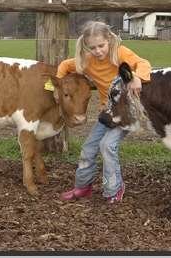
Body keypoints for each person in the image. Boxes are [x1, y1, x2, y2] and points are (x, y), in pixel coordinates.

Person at [57, 21, 151, 204]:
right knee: (88, 148)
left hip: (126, 111)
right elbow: (64, 65)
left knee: (107, 145)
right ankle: (83, 187)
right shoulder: (86, 60)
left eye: (101, 46)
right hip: (107, 113)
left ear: (109, 39)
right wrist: (58, 85)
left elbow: (143, 63)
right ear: (86, 47)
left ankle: (114, 188)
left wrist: (138, 77)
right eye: (93, 48)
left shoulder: (120, 53)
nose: (98, 51)